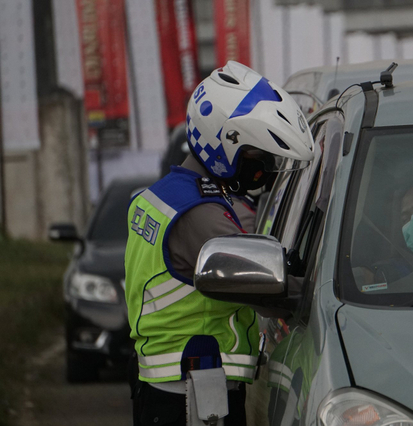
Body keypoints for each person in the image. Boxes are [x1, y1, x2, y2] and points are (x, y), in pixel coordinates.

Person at [124, 61, 314, 426]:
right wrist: (319, 293)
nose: (265, 170)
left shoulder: (166, 196)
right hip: (194, 397)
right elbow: (263, 286)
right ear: (223, 145)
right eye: (257, 158)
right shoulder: (200, 214)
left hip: (168, 388)